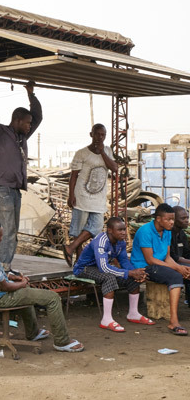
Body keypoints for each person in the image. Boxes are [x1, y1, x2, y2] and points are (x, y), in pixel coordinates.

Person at [0, 218, 84, 352]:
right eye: (1, 236)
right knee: (53, 298)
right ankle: (62, 342)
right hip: (0, 298)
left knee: (26, 291)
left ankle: (33, 333)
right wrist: (22, 283)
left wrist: (13, 277)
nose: (2, 238)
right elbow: (6, 287)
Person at [0, 76, 42, 277]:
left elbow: (38, 117)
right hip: (1, 186)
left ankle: (6, 265)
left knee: (11, 230)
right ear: (17, 121)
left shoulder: (21, 137)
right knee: (7, 228)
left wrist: (31, 94)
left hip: (15, 188)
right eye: (27, 123)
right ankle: (3, 268)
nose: (30, 126)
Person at [72, 216, 153, 332]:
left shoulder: (121, 243)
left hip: (99, 268)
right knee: (109, 278)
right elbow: (104, 267)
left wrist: (136, 273)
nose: (124, 232)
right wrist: (129, 272)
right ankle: (106, 320)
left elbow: (124, 261)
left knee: (132, 278)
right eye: (120, 230)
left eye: (124, 229)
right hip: (84, 269)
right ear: (110, 230)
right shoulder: (101, 241)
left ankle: (133, 313)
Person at [130, 203, 190, 336]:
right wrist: (178, 269)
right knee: (176, 276)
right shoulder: (145, 231)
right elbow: (150, 260)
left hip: (161, 264)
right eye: (168, 219)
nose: (171, 222)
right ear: (158, 219)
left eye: (172, 219)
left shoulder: (167, 231)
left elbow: (167, 257)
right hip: (144, 267)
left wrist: (181, 268)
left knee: (187, 271)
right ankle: (173, 321)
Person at [63, 124, 117, 266]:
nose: (100, 137)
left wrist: (102, 153)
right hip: (82, 196)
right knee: (78, 230)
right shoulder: (82, 153)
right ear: (91, 134)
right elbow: (73, 176)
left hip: (98, 199)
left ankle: (70, 248)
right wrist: (71, 195)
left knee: (97, 226)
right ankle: (79, 262)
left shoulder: (108, 151)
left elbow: (115, 168)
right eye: (97, 134)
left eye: (103, 135)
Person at [169, 206, 190, 305]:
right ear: (174, 219)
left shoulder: (182, 234)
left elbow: (187, 252)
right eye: (183, 218)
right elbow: (172, 257)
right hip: (170, 264)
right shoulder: (168, 234)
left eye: (187, 218)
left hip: (180, 262)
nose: (186, 220)